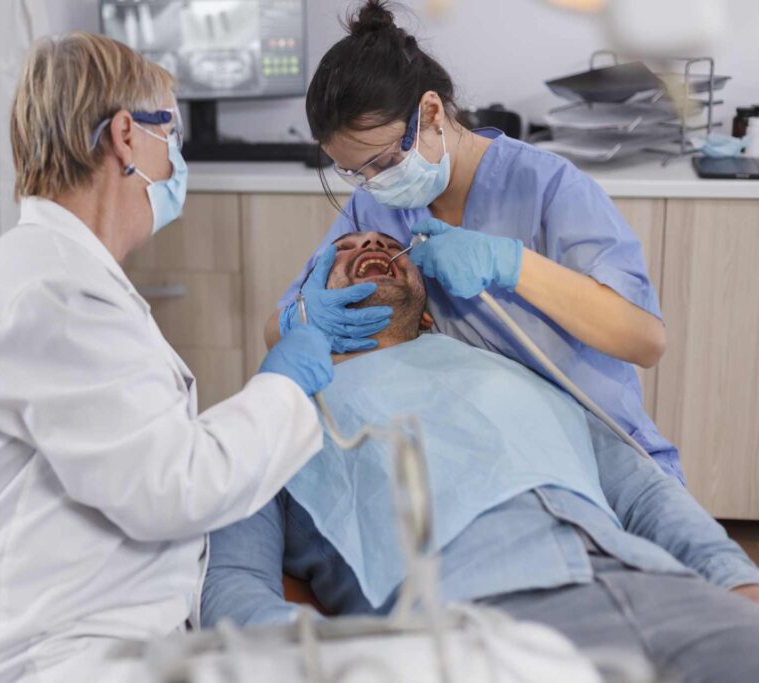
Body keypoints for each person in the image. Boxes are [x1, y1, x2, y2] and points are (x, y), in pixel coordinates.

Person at [0, 33, 343, 682]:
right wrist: (286, 379)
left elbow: (147, 453)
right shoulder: (51, 292)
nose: (178, 163)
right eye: (174, 135)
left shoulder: (54, 274)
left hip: (82, 627)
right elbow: (175, 484)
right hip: (42, 657)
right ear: (125, 137)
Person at [204, 231, 759, 682]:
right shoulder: (273, 409)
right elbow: (233, 582)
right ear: (303, 307)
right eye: (345, 250)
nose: (371, 246)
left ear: (427, 313)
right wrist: (343, 660)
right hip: (479, 627)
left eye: (384, 244)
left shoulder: (511, 370)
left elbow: (642, 492)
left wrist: (736, 581)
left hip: (659, 586)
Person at [264, 0, 684, 481]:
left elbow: (646, 342)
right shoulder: (372, 208)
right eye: (352, 172)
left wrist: (512, 265)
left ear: (431, 111)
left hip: (596, 449)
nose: (373, 182)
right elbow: (275, 331)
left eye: (381, 162)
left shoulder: (548, 189)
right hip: (482, 458)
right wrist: (304, 316)